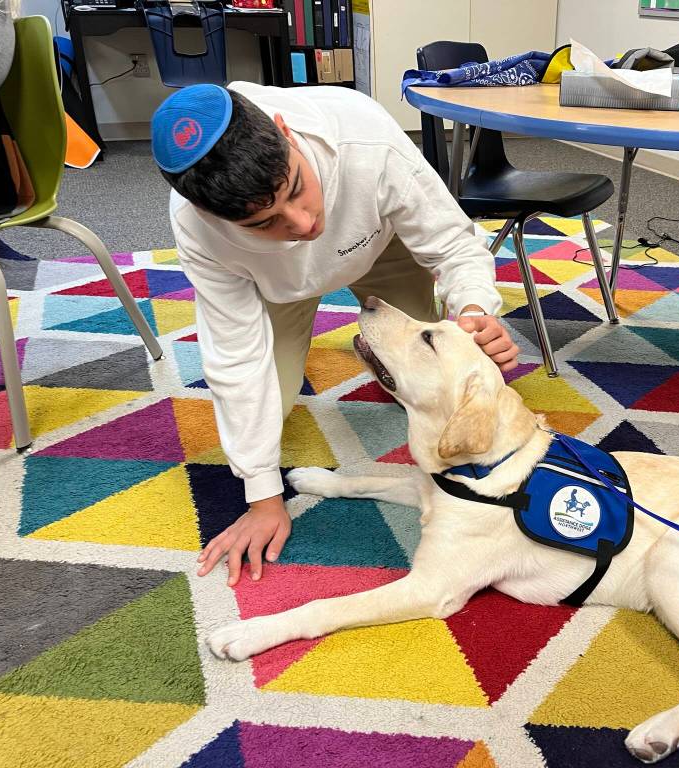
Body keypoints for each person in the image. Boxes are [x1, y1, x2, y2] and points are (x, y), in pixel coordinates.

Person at [151, 82, 519, 587]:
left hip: (381, 246)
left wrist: (474, 309)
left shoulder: (365, 136)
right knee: (263, 413)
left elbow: (454, 244)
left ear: (285, 134)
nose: (303, 223)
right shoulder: (198, 229)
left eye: (297, 188)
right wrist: (263, 499)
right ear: (212, 217)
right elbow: (235, 359)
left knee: (425, 380)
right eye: (267, 221)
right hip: (275, 285)